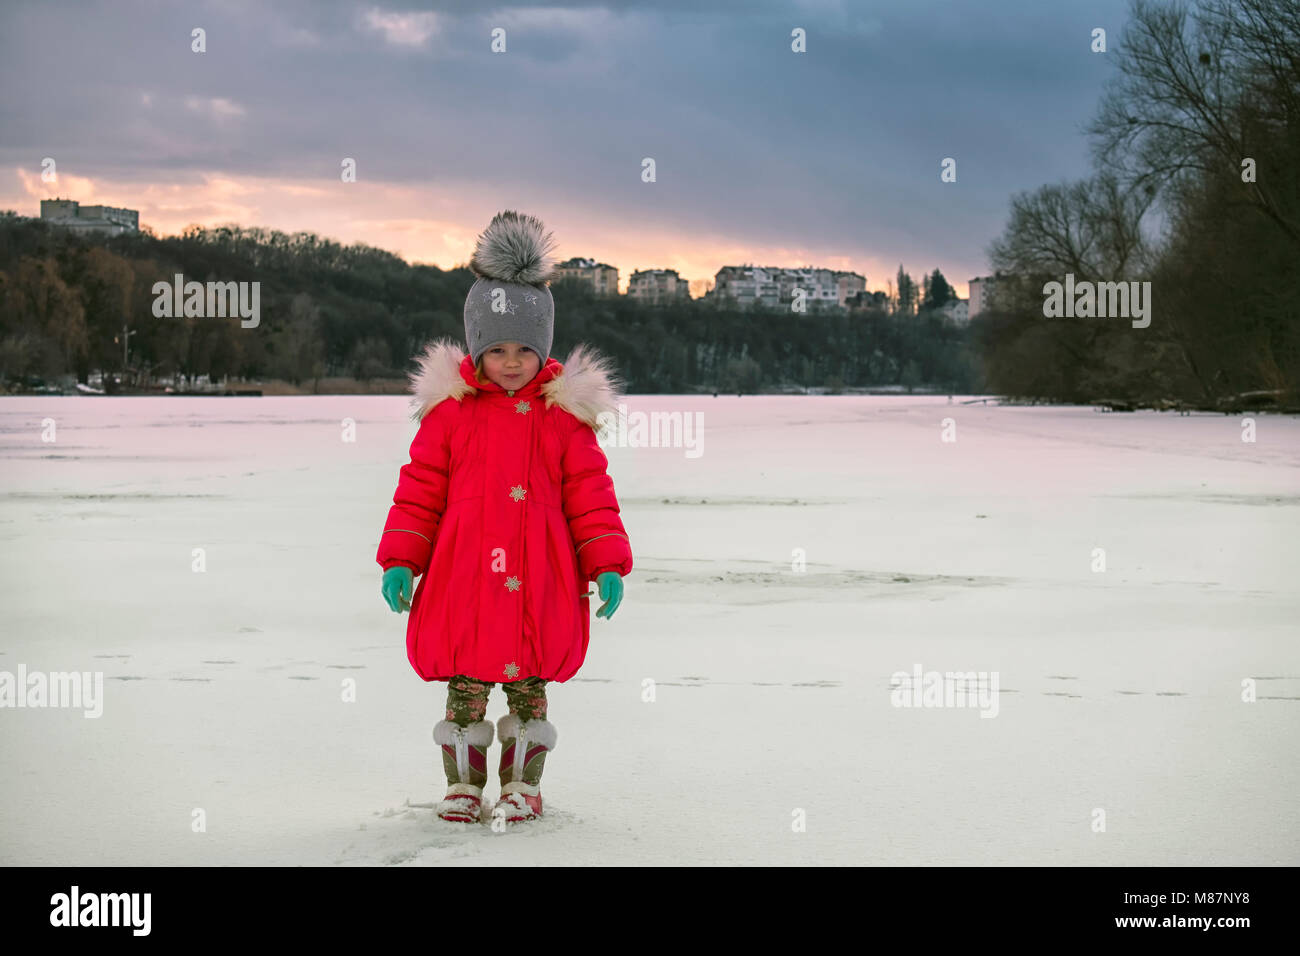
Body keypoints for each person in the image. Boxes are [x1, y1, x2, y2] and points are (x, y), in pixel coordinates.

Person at [376, 210, 632, 826]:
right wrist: (402, 558)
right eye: (497, 350)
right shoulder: (451, 415)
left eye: (524, 349)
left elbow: (591, 493)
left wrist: (606, 561)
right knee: (464, 684)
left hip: (539, 574)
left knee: (528, 683)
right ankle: (463, 785)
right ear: (477, 349)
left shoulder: (562, 418)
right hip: (463, 572)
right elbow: (419, 491)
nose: (511, 362)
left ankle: (522, 784)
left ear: (542, 349)